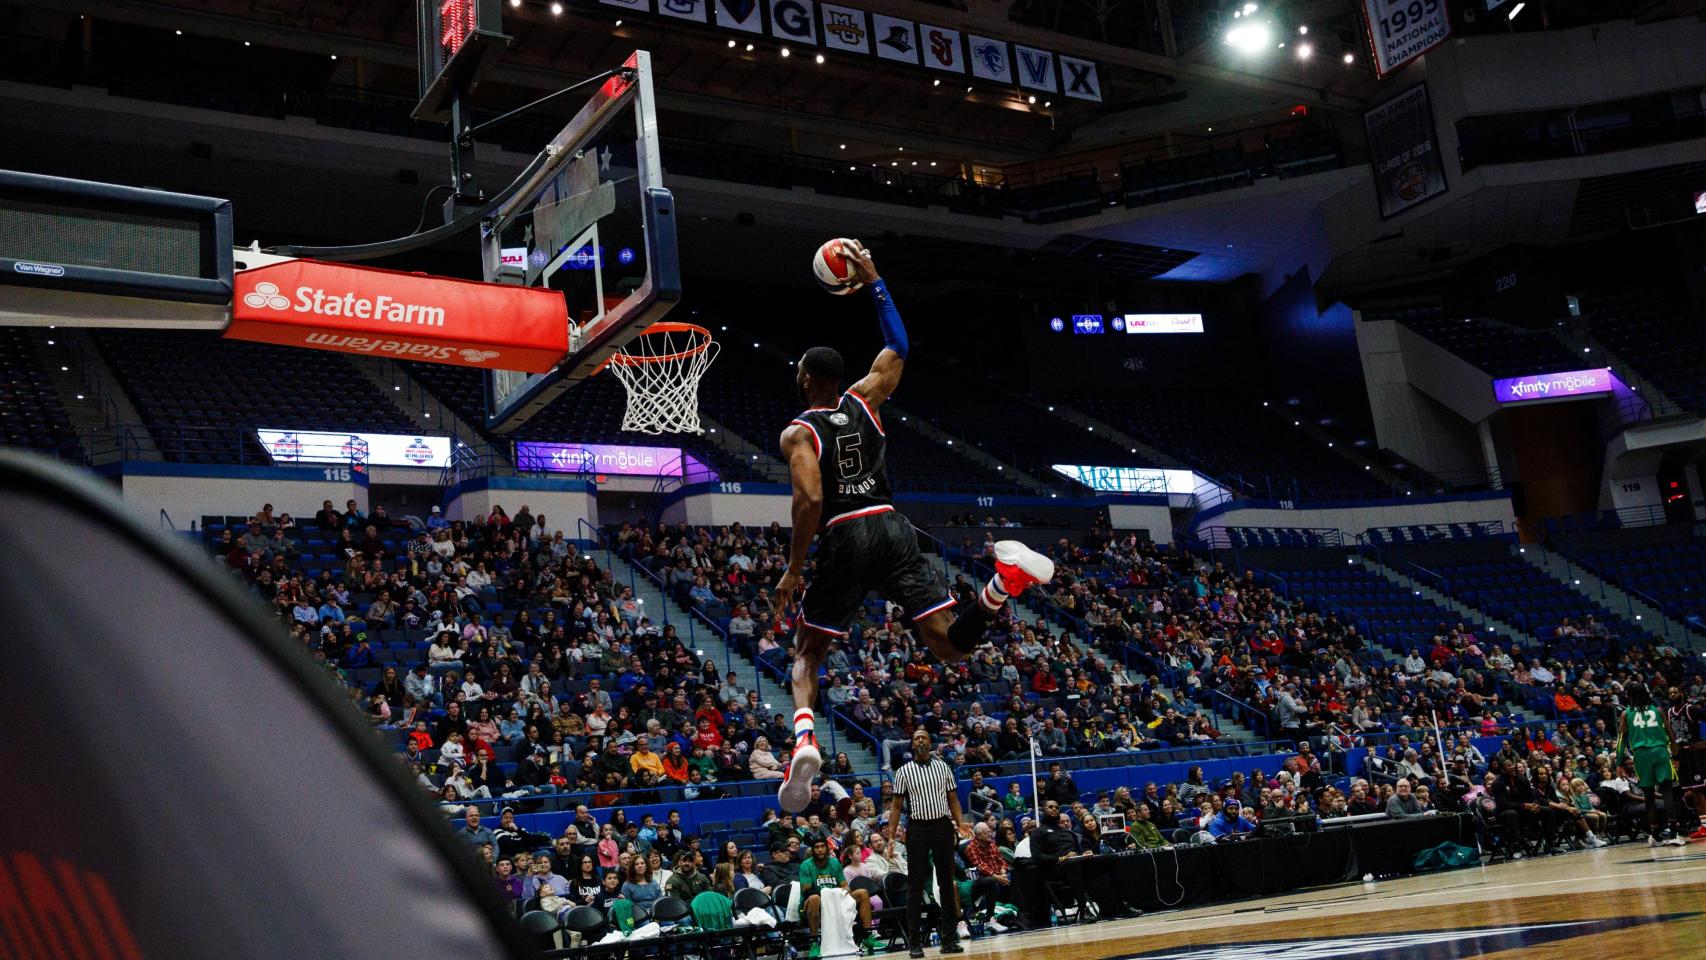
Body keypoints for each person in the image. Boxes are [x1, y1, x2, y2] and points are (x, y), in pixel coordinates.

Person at [772, 242, 1056, 812]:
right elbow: (899, 346)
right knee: (949, 647)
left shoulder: (799, 430)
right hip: (894, 526)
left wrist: (794, 568)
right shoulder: (868, 395)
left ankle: (804, 741)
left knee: (807, 654)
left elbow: (809, 498)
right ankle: (1002, 585)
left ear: (805, 379)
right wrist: (876, 280)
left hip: (848, 532)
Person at [887, 729, 966, 957]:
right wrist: (891, 837)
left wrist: (960, 823)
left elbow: (953, 799)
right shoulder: (903, 771)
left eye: (924, 738)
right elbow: (896, 806)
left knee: (946, 883)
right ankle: (914, 941)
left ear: (930, 742)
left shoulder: (943, 767)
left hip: (942, 826)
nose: (920, 741)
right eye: (916, 739)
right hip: (918, 829)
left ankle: (949, 939)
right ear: (912, 745)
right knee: (916, 885)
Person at [1618, 682, 1689, 847]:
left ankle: (1655, 834)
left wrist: (1619, 762)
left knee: (1648, 796)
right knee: (1667, 792)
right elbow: (1670, 734)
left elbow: (1621, 740)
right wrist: (1675, 755)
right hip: (1660, 752)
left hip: (1641, 755)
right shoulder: (1657, 710)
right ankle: (1673, 833)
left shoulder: (1625, 714)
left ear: (1629, 695)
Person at [799, 837, 879, 957]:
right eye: (816, 847)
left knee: (862, 893)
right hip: (815, 903)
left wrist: (843, 892)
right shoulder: (806, 865)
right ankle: (814, 942)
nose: (820, 850)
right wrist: (828, 894)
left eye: (822, 846)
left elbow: (845, 885)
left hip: (836, 900)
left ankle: (867, 936)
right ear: (813, 850)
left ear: (827, 848)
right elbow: (806, 890)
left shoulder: (835, 862)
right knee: (814, 898)